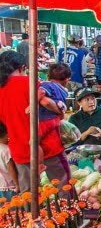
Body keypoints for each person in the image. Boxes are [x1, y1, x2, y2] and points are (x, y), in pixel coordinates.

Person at [0, 51, 69, 191]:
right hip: (48, 146)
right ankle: (69, 213)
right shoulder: (29, 82)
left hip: (19, 148)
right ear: (21, 67)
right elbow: (48, 103)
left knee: (29, 194)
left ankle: (32, 214)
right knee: (64, 188)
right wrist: (60, 111)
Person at [0, 122, 19, 201]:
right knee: (14, 209)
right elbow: (11, 168)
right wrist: (17, 184)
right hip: (9, 186)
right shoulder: (6, 149)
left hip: (1, 186)